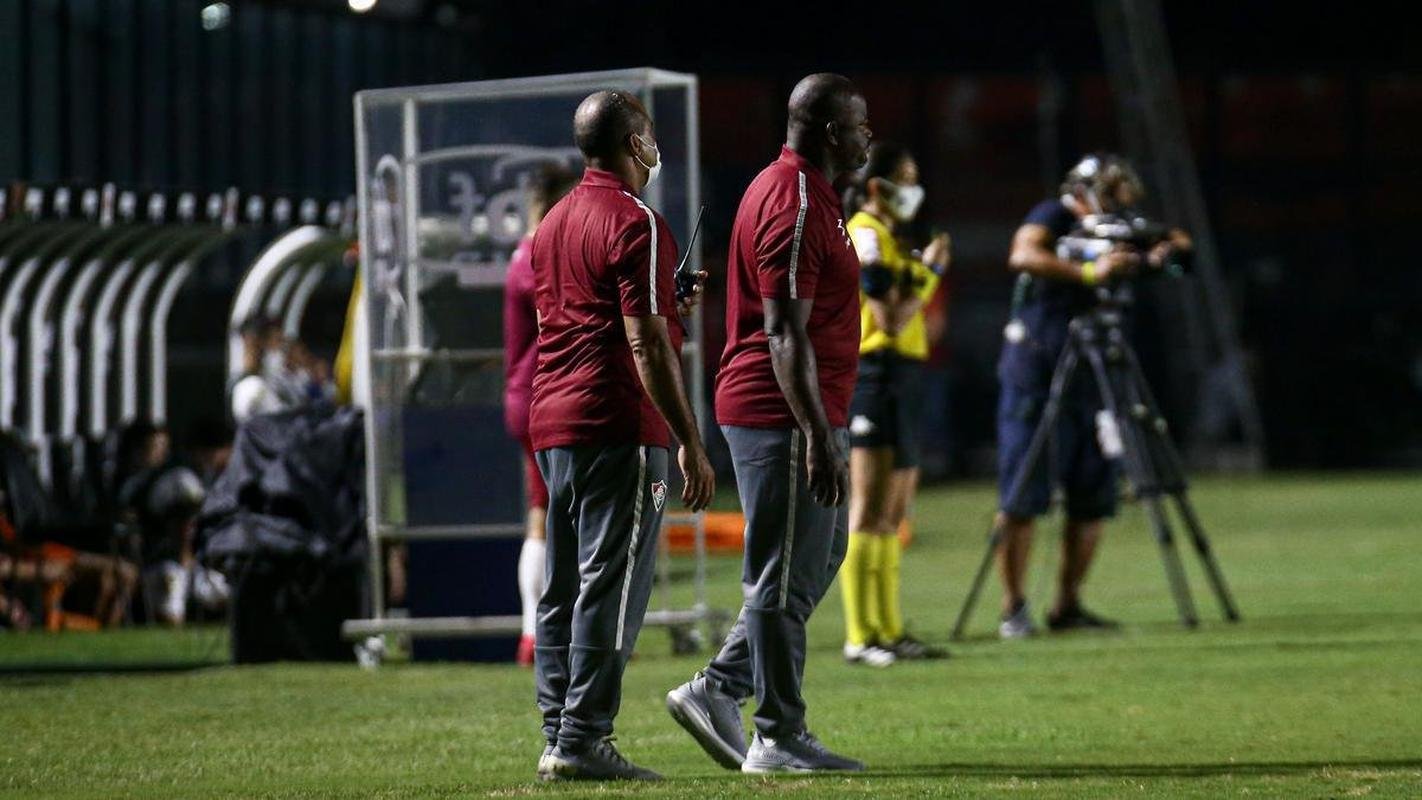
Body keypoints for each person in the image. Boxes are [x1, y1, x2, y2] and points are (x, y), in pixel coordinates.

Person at [666, 73, 871, 774]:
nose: (869, 136)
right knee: (783, 572)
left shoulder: (811, 192)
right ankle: (777, 735)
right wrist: (815, 433)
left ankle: (719, 686)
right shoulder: (793, 198)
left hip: (803, 409)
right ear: (831, 131)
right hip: (778, 411)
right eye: (860, 123)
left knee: (817, 556)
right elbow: (783, 332)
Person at [530, 89, 714, 781]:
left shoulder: (552, 222)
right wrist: (690, 438)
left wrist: (670, 304)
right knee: (614, 586)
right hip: (617, 423)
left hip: (555, 423)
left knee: (563, 590)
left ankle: (558, 732)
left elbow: (583, 318)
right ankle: (582, 736)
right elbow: (645, 346)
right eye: (651, 135)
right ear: (636, 143)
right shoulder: (637, 221)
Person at [994, 153, 1193, 639]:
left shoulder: (1120, 226)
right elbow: (1022, 255)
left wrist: (1160, 252)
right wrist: (1088, 273)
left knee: (1095, 493)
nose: (1120, 205)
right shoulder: (1054, 215)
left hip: (1096, 371)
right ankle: (1014, 606)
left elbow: (1180, 245)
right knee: (1024, 492)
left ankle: (1068, 604)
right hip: (1039, 370)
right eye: (1112, 193)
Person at [840, 142, 951, 666]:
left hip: (905, 376)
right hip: (876, 375)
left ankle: (889, 627)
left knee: (894, 512)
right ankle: (861, 636)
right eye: (904, 178)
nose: (913, 190)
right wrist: (929, 275)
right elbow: (886, 320)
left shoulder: (892, 237)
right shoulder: (865, 231)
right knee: (866, 509)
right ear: (876, 185)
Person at [504, 164, 578, 667]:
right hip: (540, 393)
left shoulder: (524, 252)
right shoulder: (538, 255)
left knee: (542, 512)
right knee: (551, 517)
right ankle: (539, 632)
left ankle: (540, 633)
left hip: (525, 392)